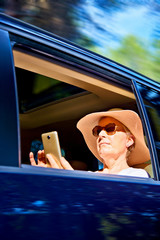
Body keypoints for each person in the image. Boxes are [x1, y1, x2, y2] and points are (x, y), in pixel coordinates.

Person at [29, 109, 151, 178]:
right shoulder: (86, 175)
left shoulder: (137, 176)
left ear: (129, 140)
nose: (101, 135)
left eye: (109, 128)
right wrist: (44, 178)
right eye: (98, 131)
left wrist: (75, 184)